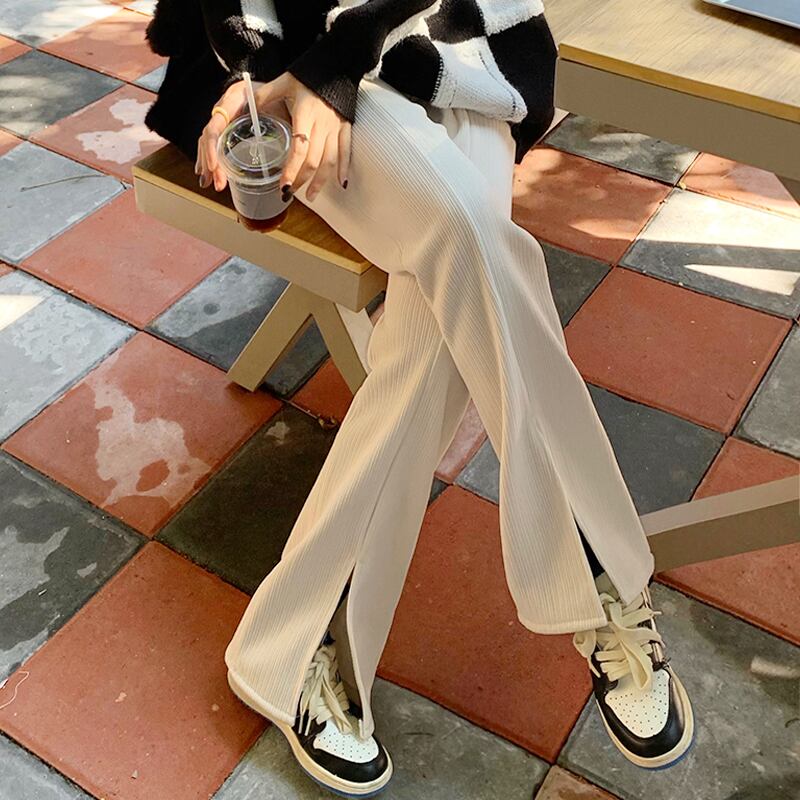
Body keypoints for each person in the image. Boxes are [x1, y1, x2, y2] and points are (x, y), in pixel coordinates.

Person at [144, 1, 694, 795]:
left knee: (443, 308)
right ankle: (598, 567)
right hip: (297, 51)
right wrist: (281, 69)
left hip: (458, 49)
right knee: (464, 232)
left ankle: (293, 648)